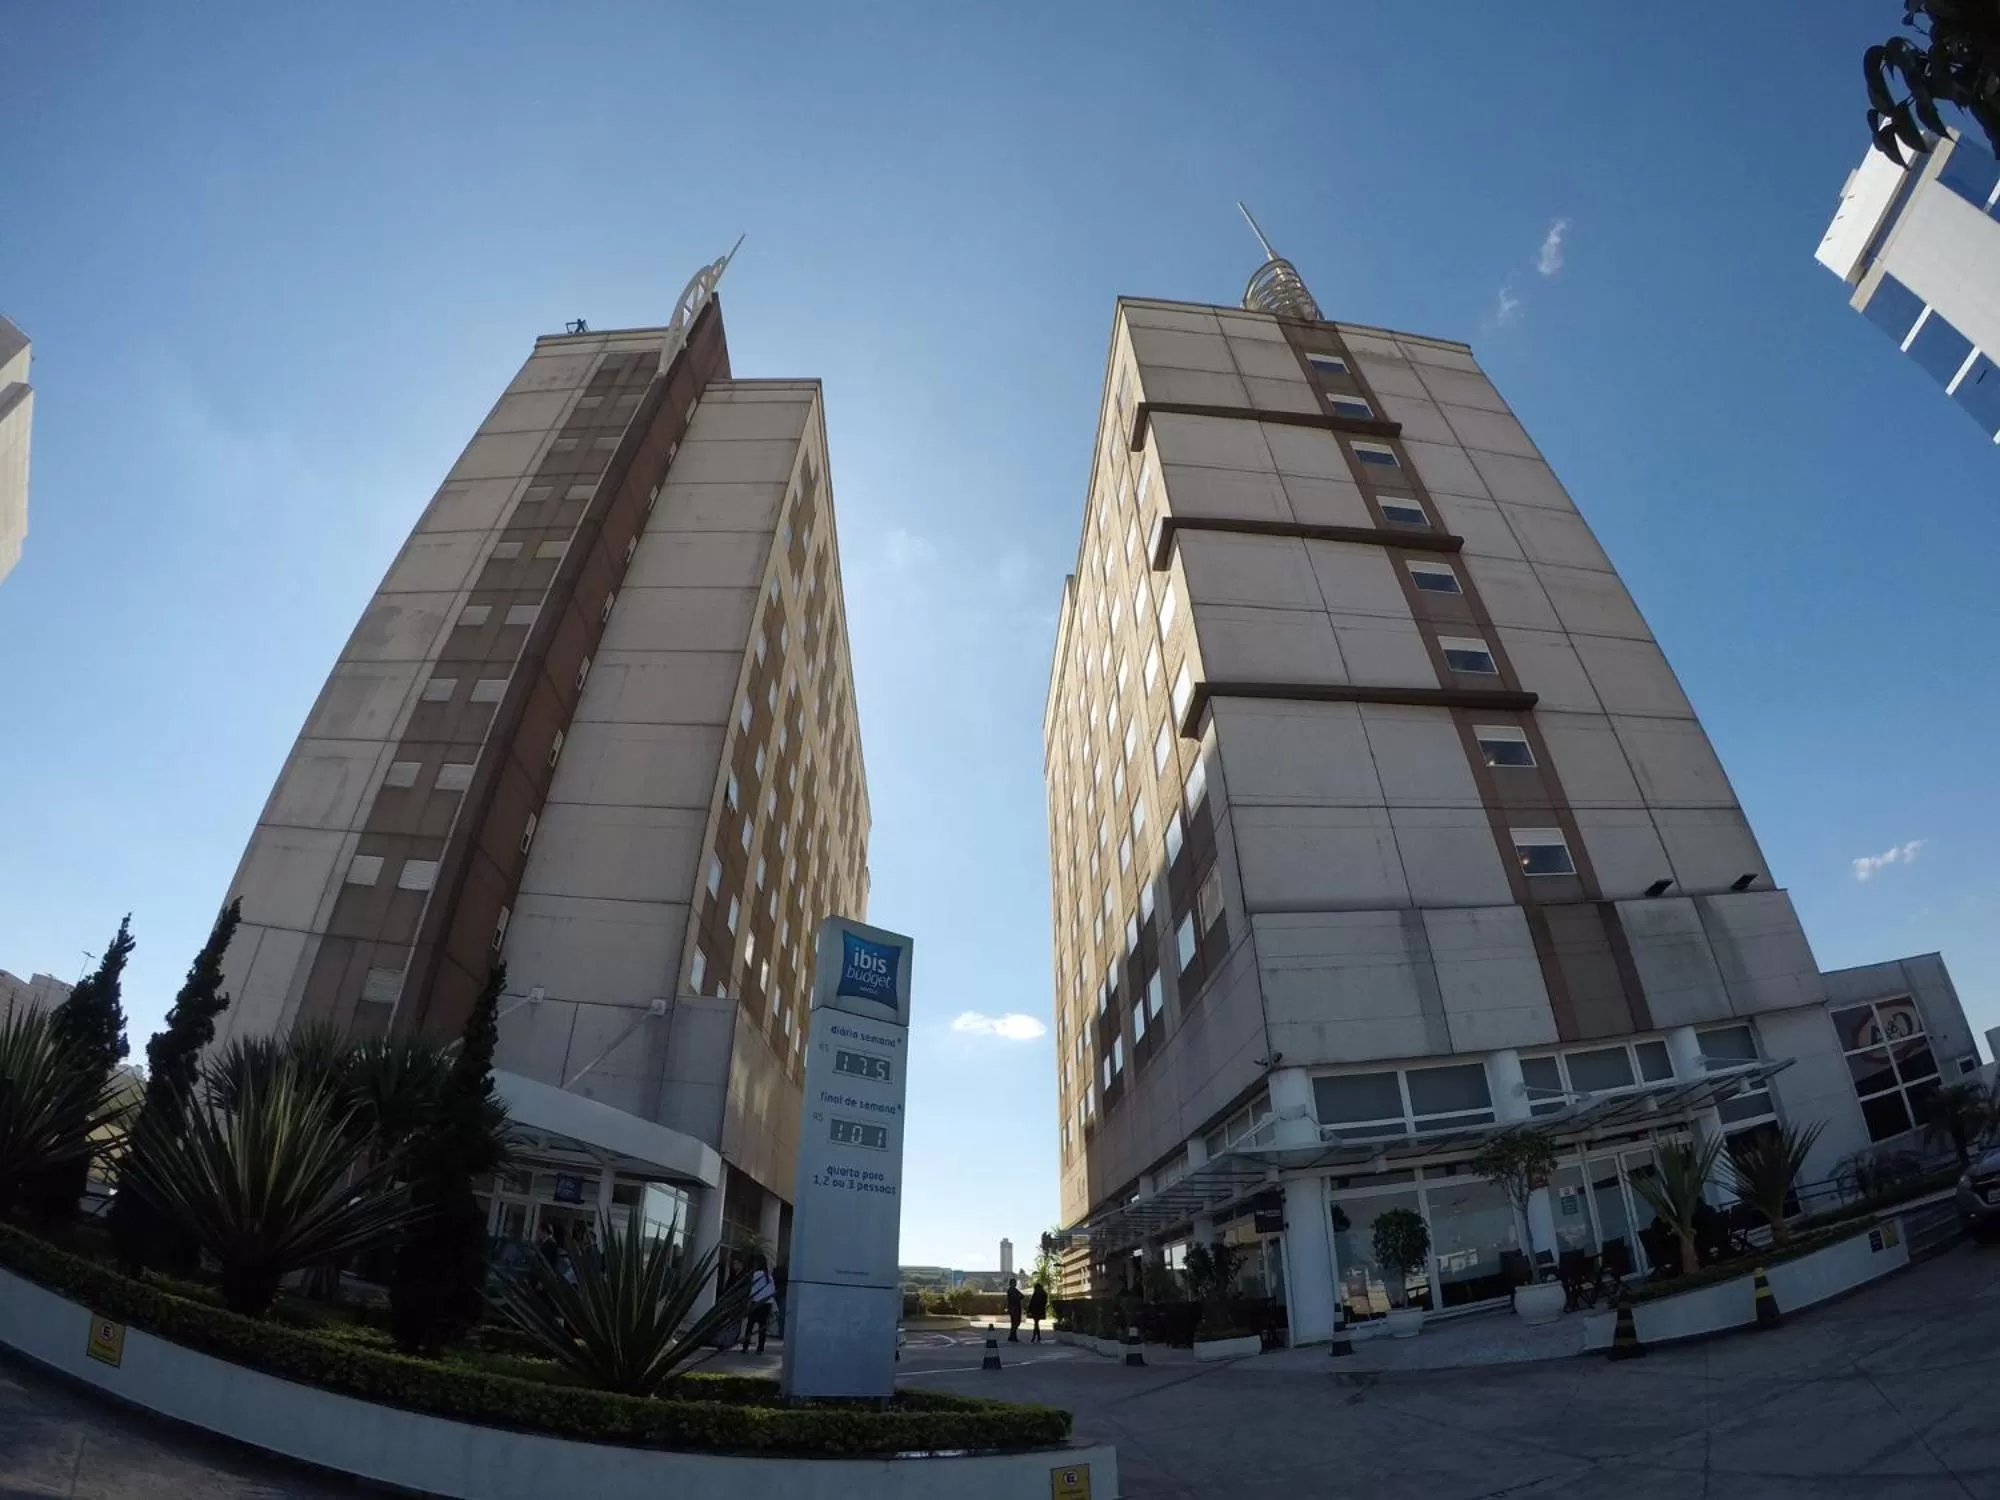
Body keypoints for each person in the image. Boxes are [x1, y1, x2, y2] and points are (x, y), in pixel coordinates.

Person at [742, 1260, 778, 1354]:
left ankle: (745, 1346)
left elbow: (752, 1289)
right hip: (767, 1304)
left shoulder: (756, 1275)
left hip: (756, 1302)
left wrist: (748, 1302)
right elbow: (772, 1290)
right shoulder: (769, 1276)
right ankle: (760, 1348)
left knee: (750, 1326)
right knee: (762, 1328)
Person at [1027, 1279, 1049, 1343]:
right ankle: (1038, 1337)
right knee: (1036, 1323)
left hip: (1035, 1310)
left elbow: (1032, 1302)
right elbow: (1045, 1302)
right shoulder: (1044, 1293)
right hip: (1040, 1310)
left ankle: (1034, 1337)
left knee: (1036, 1323)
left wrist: (1029, 1310)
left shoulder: (1036, 1293)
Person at [1005, 1276, 1024, 1343]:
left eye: (1015, 1283)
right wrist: (1018, 1297)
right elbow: (1017, 1297)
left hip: (1015, 1308)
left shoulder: (1014, 1290)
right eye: (1014, 1283)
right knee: (1015, 1323)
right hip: (1014, 1308)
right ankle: (1012, 1336)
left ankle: (1012, 1336)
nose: (1015, 1284)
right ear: (1011, 1283)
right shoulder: (1011, 1290)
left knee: (1015, 1323)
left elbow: (1022, 1296)